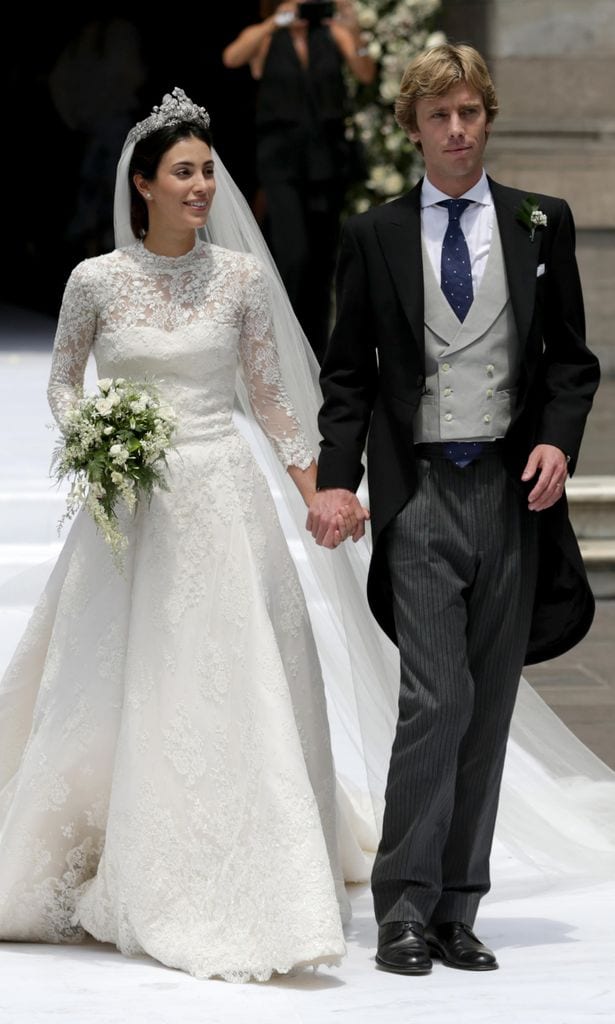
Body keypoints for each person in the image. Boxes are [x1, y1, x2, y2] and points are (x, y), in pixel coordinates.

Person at [0, 87, 358, 982]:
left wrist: (319, 491)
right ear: (144, 186)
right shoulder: (95, 281)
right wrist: (91, 437)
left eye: (208, 171)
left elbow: (272, 402)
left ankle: (250, 858)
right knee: (117, 673)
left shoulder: (237, 280)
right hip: (129, 506)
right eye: (185, 173)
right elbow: (62, 382)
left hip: (220, 500)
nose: (202, 186)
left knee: (225, 672)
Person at [307, 43, 601, 975]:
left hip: (512, 496)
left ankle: (456, 907)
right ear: (414, 127)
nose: (458, 130)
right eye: (440, 116)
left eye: (471, 113)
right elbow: (349, 375)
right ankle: (402, 904)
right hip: (422, 490)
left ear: (487, 118)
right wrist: (334, 480)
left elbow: (569, 360)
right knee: (433, 700)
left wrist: (558, 435)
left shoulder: (537, 222)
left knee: (487, 705)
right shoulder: (375, 235)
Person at [222, 0, 375, 362]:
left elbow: (365, 70)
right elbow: (232, 57)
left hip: (326, 161)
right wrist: (277, 20)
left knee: (323, 260)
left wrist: (353, 29)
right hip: (281, 160)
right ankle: (278, 347)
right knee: (294, 254)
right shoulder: (267, 36)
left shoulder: (332, 32)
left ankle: (315, 354)